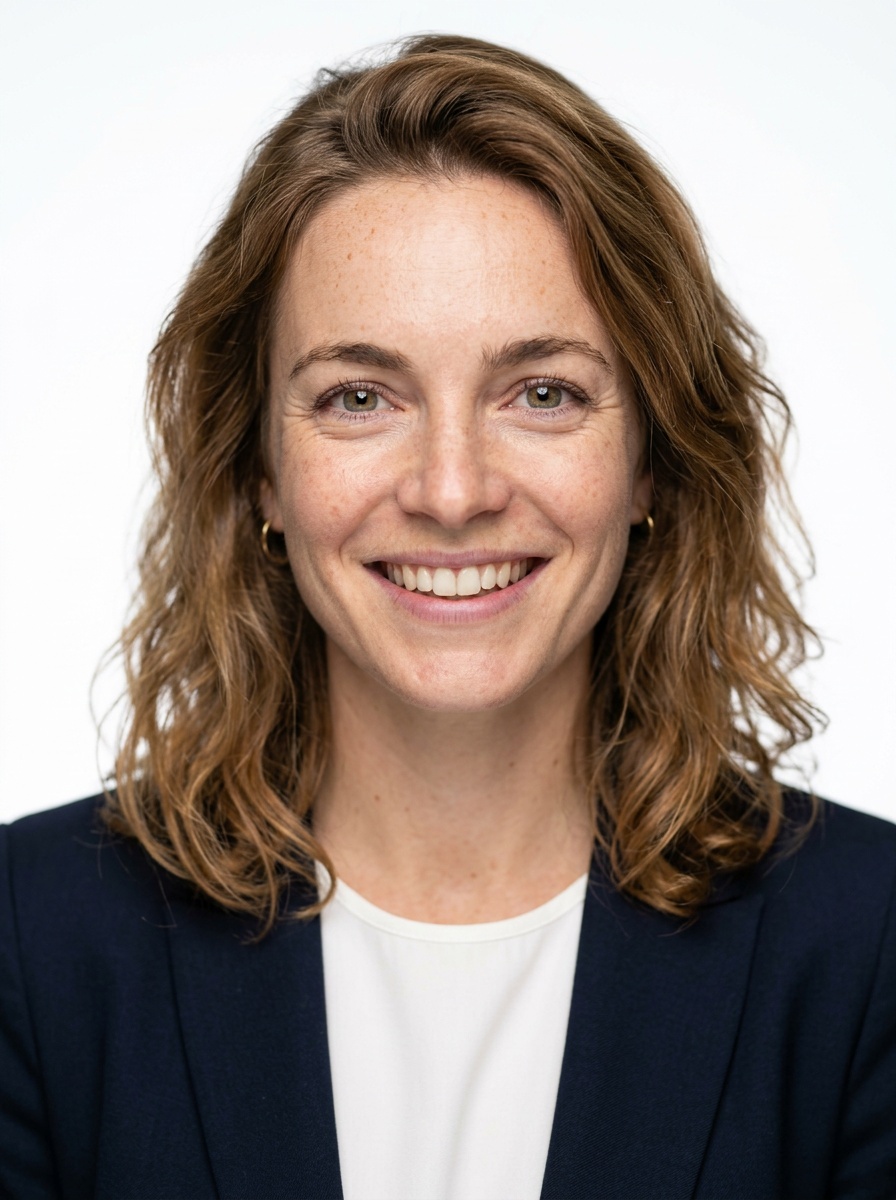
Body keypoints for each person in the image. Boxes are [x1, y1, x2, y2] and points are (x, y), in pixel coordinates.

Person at [1, 32, 894, 1200]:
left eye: (542, 393)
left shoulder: (865, 946)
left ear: (652, 467)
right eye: (358, 397)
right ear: (258, 469)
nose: (453, 489)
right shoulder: (31, 943)